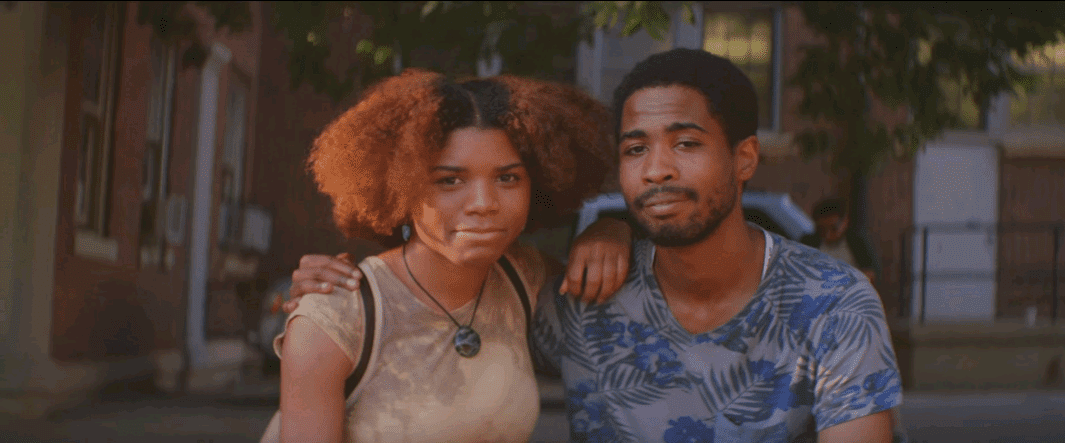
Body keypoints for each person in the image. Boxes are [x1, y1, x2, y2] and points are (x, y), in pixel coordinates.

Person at [290, 48, 905, 442]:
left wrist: (611, 229)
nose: (657, 169)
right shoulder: (582, 298)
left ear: (745, 158)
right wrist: (333, 297)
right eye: (636, 149)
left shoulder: (833, 302)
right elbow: (425, 291)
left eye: (686, 143)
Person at [268, 68, 633, 443]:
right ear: (402, 186)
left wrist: (614, 231)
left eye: (507, 178)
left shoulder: (525, 277)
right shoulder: (336, 318)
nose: (483, 203)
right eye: (450, 180)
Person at [801, 197, 881, 284]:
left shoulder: (856, 241)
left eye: (834, 228)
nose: (828, 235)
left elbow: (871, 273)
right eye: (822, 229)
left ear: (845, 221)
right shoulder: (808, 243)